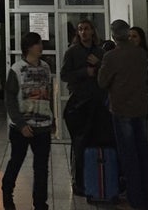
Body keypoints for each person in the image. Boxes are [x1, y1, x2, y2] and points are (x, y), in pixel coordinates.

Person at [98, 19, 148, 210]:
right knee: (143, 152)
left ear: (114, 35)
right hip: (140, 108)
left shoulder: (112, 56)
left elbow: (102, 82)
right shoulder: (141, 54)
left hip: (121, 109)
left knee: (128, 155)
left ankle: (135, 199)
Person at [1, 32, 55, 210]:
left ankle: (40, 203)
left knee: (41, 168)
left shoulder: (46, 67)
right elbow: (10, 100)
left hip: (43, 127)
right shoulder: (16, 69)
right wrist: (21, 124)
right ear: (29, 47)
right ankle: (7, 192)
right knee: (16, 161)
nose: (41, 47)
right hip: (21, 128)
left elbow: (49, 95)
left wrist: (52, 119)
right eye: (38, 43)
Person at [60, 19, 106, 196]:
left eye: (86, 29)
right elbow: (64, 75)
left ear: (92, 31)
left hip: (97, 102)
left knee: (95, 141)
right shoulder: (72, 52)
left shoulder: (100, 52)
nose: (84, 32)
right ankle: (79, 181)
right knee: (79, 143)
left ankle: (95, 178)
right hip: (79, 102)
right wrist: (84, 72)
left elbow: (108, 74)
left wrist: (99, 65)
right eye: (80, 29)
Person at [129, 26, 148, 118]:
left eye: (134, 36)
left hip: (142, 99)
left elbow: (145, 76)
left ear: (141, 39)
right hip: (126, 101)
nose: (131, 39)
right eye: (129, 36)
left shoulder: (146, 56)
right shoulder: (124, 56)